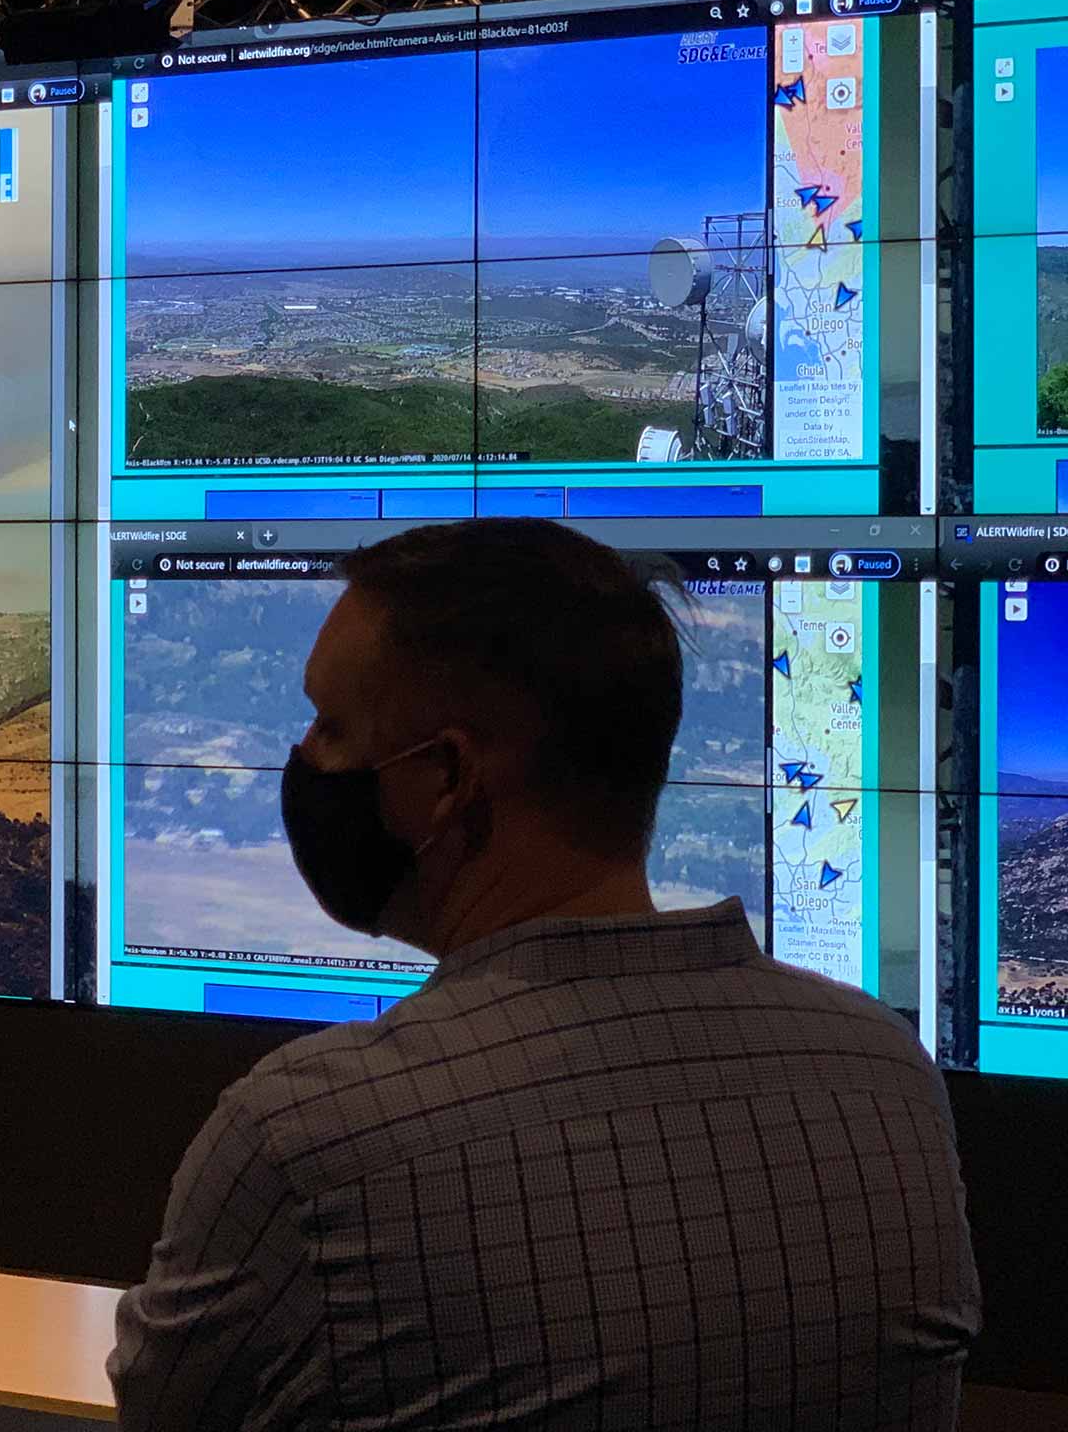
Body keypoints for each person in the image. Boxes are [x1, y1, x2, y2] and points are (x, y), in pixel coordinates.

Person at [109, 519, 979, 1432]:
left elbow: (163, 1412)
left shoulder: (307, 1143)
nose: (306, 758)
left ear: (446, 777)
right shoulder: (891, 1078)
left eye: (330, 726)